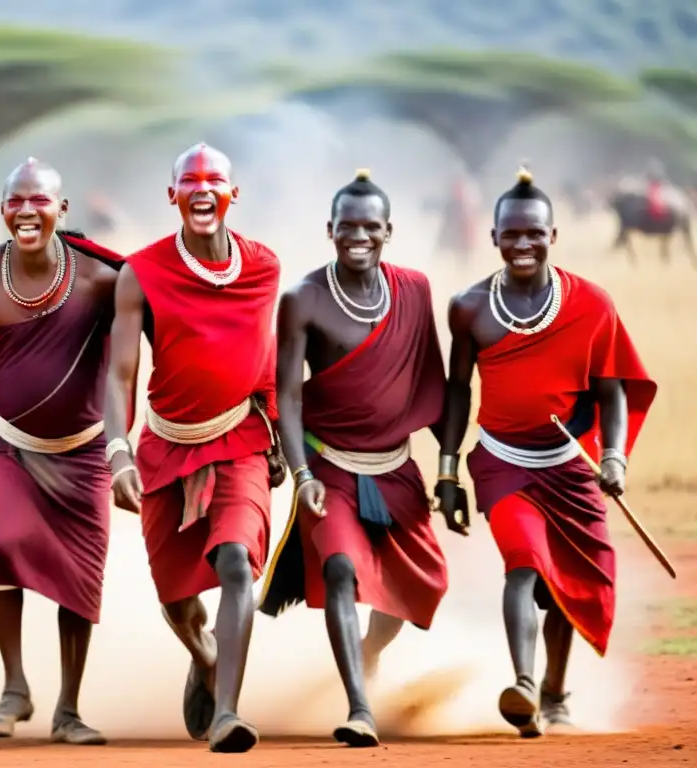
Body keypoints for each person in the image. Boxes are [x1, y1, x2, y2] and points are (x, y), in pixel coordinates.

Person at [436, 168, 657, 737]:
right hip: (502, 463)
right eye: (511, 234)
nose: (523, 245)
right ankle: (525, 686)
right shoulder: (469, 307)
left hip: (570, 468)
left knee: (567, 586)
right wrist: (448, 469)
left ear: (553, 235)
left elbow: (611, 389)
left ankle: (557, 692)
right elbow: (458, 388)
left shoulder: (592, 305)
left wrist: (613, 459)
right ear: (493, 238)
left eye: (534, 234)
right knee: (525, 563)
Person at [104, 143, 285, 754]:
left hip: (240, 440)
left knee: (236, 562)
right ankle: (203, 653)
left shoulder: (264, 267)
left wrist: (285, 439)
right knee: (178, 602)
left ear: (234, 194)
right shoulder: (141, 273)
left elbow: (271, 359)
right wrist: (118, 451)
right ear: (172, 195)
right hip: (166, 446)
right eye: (190, 181)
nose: (202, 190)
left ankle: (229, 712)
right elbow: (120, 374)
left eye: (215, 181)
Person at [259, 169, 449, 747]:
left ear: (388, 230)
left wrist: (450, 470)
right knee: (341, 568)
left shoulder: (414, 289)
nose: (358, 235)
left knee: (420, 586)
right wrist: (301, 474)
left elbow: (432, 385)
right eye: (348, 226)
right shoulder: (303, 299)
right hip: (329, 466)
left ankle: (369, 652)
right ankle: (359, 707)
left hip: (396, 468)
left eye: (371, 226)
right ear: (330, 230)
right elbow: (286, 394)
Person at [0, 158, 125, 746]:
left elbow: (132, 365)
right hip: (11, 450)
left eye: (39, 201)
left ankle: (68, 711)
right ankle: (15, 688)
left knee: (81, 579)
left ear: (62, 210)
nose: (27, 211)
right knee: (4, 543)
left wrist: (125, 450)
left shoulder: (104, 280)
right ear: (2, 211)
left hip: (85, 454)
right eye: (15, 202)